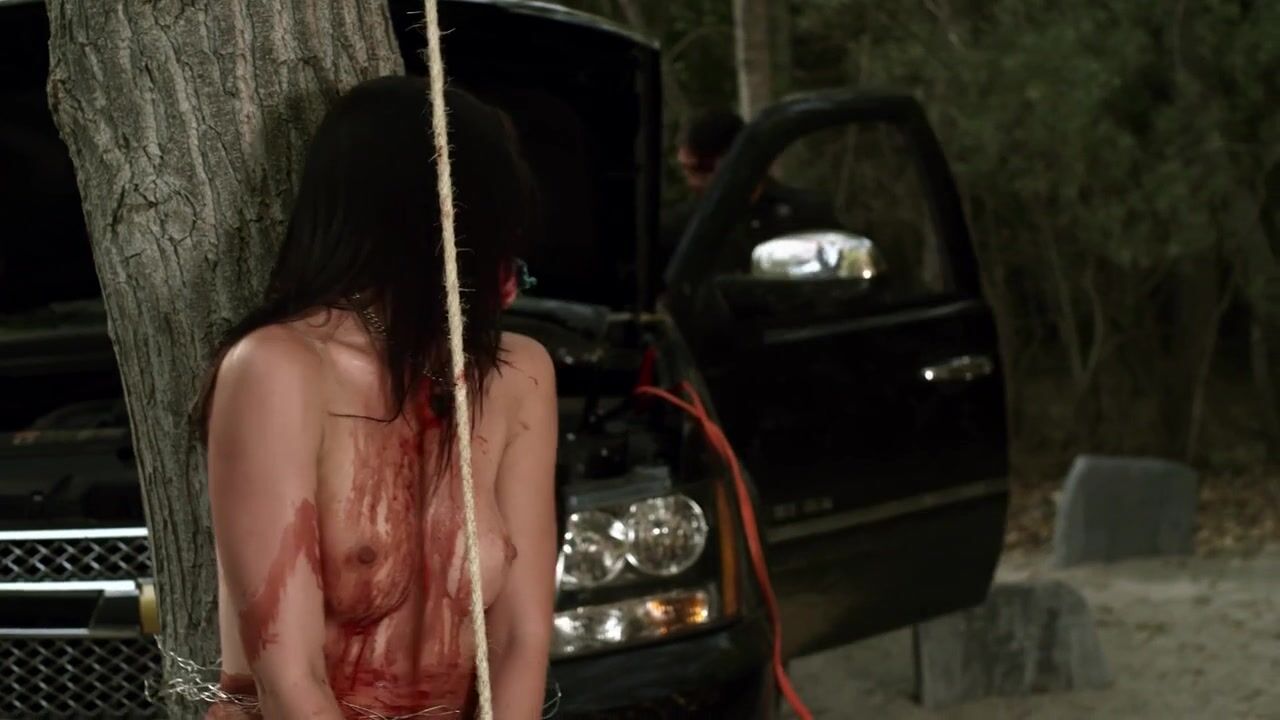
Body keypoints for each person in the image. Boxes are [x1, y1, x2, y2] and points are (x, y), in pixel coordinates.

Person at [193, 77, 557, 720]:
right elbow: (289, 677)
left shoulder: (515, 375)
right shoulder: (277, 369)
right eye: (494, 220)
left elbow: (520, 639)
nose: (508, 259)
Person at [659, 108, 842, 275]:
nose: (693, 182)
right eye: (686, 171)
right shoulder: (681, 229)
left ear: (736, 160)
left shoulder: (806, 215)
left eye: (701, 169)